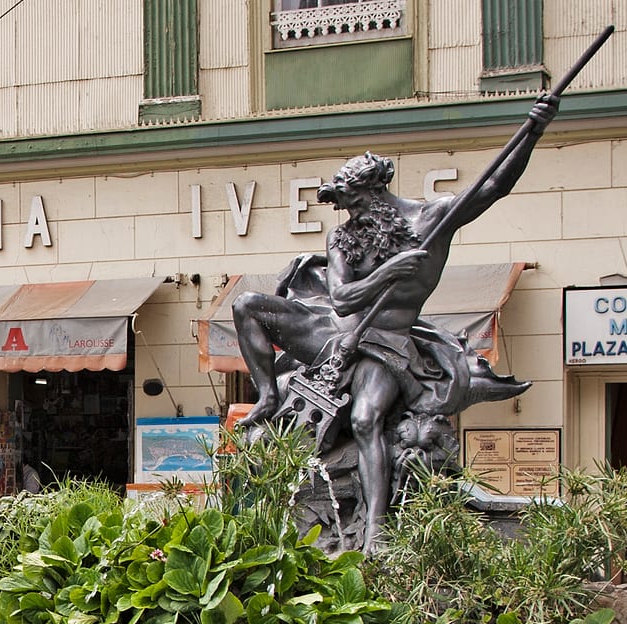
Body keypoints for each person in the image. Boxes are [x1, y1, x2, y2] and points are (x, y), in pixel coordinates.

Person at [232, 96, 557, 551]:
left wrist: (534, 131)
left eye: (353, 202)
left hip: (387, 344)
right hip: (336, 331)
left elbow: (493, 187)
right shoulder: (343, 237)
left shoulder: (431, 219)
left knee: (366, 419)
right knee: (247, 304)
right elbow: (342, 299)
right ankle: (268, 395)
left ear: (375, 193)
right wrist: (388, 271)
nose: (349, 213)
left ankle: (376, 529)